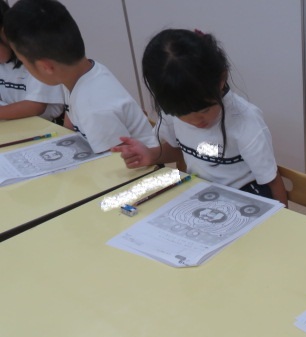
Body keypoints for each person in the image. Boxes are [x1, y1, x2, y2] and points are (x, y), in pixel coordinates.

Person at [113, 29, 288, 206]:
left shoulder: (245, 120)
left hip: (246, 196)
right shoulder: (174, 107)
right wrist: (151, 155)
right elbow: (178, 149)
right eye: (182, 115)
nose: (196, 122)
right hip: (202, 192)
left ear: (221, 80)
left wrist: (283, 217)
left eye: (204, 110)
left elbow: (271, 180)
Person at [3, 0, 156, 153]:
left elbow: (118, 161)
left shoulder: (94, 108)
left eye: (23, 62)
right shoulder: (78, 75)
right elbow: (70, 125)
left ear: (46, 67)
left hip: (141, 166)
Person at [0, 0, 64, 122]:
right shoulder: (3, 62)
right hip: (14, 124)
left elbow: (35, 107)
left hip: (46, 126)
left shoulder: (38, 58)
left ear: (5, 34)